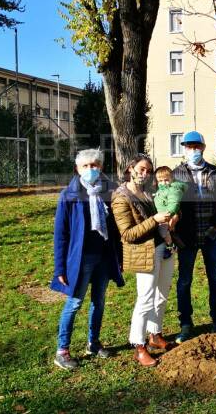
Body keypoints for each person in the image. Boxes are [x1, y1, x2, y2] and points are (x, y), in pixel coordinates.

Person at [51, 148, 124, 370]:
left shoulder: (110, 191)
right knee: (74, 303)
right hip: (80, 260)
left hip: (103, 257)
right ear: (77, 169)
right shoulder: (69, 195)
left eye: (95, 165)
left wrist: (119, 258)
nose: (91, 169)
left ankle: (93, 342)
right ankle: (62, 350)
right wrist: (60, 268)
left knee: (98, 302)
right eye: (86, 166)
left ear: (101, 167)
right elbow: (60, 234)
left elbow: (116, 229)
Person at [112, 155, 176, 367]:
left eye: (149, 170)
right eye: (141, 168)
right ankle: (139, 346)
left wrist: (168, 221)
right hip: (143, 252)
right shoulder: (121, 197)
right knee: (145, 299)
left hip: (163, 247)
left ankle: (155, 334)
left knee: (162, 295)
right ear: (131, 168)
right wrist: (154, 220)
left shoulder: (148, 193)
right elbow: (128, 234)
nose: (145, 173)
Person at [173, 131, 216, 343]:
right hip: (187, 236)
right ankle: (185, 323)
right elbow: (170, 205)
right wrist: (174, 234)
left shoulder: (215, 172)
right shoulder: (177, 174)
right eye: (188, 147)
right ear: (184, 148)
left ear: (202, 148)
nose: (192, 150)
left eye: (196, 146)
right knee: (185, 281)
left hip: (211, 234)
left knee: (215, 279)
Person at [153, 166, 187, 257]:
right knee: (166, 232)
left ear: (172, 179)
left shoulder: (173, 190)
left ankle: (171, 247)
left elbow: (174, 203)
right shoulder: (160, 190)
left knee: (164, 231)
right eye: (160, 181)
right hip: (162, 215)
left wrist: (170, 213)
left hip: (167, 215)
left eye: (166, 180)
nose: (163, 183)